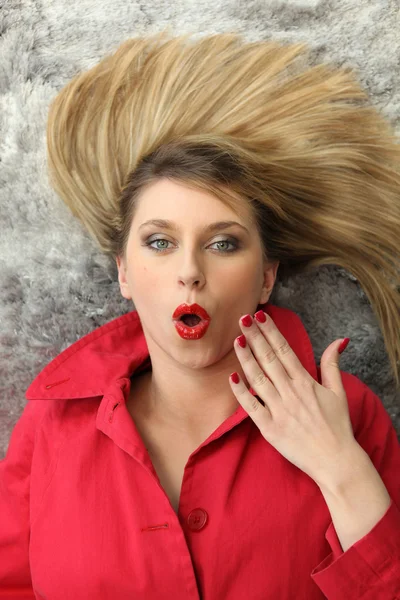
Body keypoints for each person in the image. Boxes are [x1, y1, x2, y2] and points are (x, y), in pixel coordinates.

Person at [1, 30, 399, 599]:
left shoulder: (347, 416)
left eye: (223, 244)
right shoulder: (49, 426)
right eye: (160, 242)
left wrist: (339, 467)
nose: (189, 271)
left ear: (266, 277)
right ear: (123, 273)